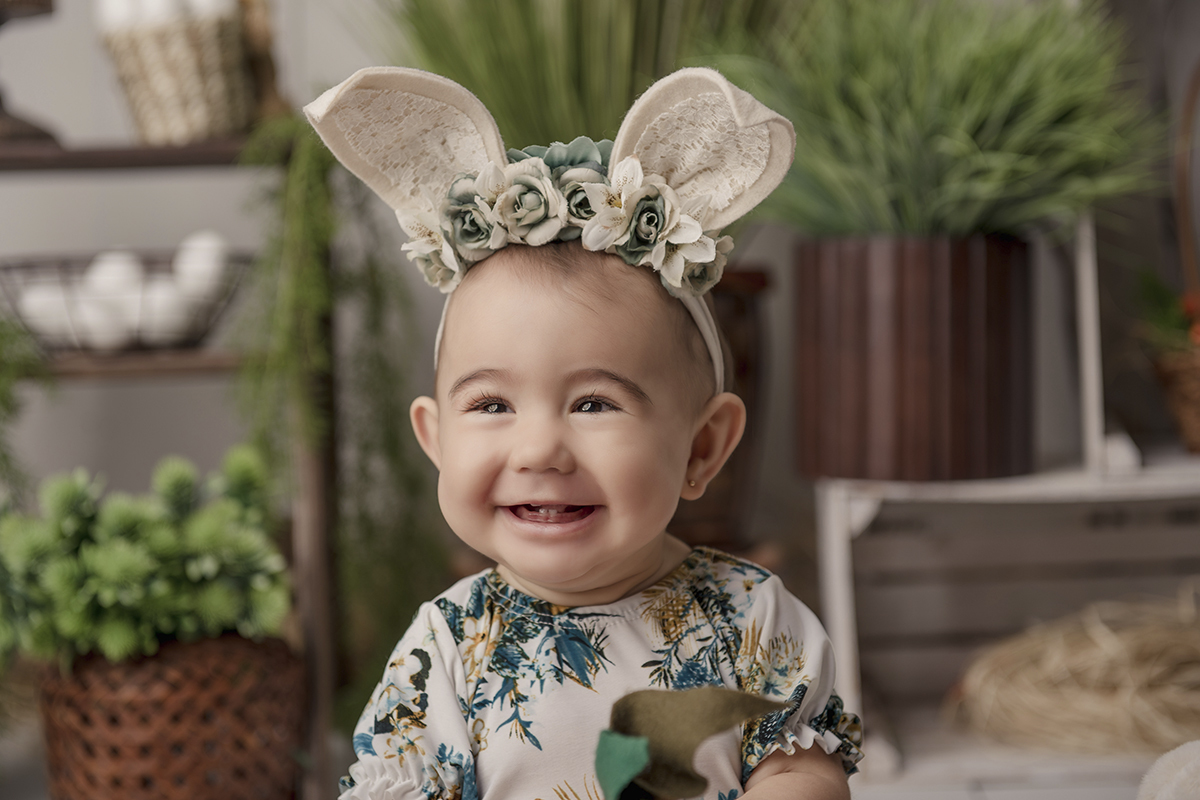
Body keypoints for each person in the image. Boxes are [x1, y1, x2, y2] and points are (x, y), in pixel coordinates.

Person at [305, 65, 864, 800]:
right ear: (435, 440)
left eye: (595, 404)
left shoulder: (748, 616)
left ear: (702, 449)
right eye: (492, 406)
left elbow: (802, 768)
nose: (539, 450)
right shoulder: (446, 646)